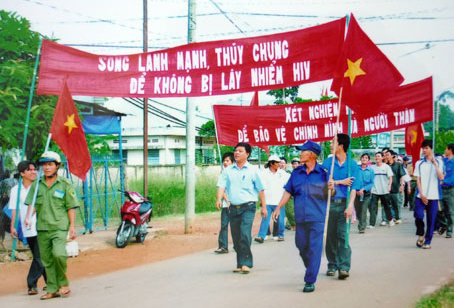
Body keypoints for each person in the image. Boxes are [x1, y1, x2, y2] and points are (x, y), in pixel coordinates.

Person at [273, 140, 333, 293]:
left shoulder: (324, 173)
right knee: (301, 246)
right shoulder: (296, 172)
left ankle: (310, 280)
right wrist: (279, 207)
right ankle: (312, 266)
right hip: (300, 218)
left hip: (317, 217)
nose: (299, 153)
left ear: (311, 154)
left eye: (303, 151)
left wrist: (331, 187)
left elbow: (331, 194)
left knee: (314, 248)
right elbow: (288, 191)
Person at [24, 151, 79, 300]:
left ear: (57, 166)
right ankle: (53, 289)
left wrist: (72, 226)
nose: (46, 168)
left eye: (50, 164)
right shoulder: (37, 184)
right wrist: (29, 217)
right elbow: (34, 204)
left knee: (59, 254)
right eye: (44, 165)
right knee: (47, 260)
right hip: (42, 227)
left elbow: (71, 206)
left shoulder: (65, 184)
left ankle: (63, 283)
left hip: (59, 227)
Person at [216, 143, 267, 274]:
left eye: (240, 151)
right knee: (236, 236)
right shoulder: (228, 171)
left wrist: (264, 207)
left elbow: (261, 189)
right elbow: (221, 186)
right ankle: (240, 263)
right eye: (235, 151)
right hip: (233, 208)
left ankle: (246, 263)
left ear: (247, 154)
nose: (236, 153)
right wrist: (218, 199)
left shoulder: (253, 170)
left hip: (248, 207)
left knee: (245, 234)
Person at [322, 133, 360, 280]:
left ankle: (344, 267)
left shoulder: (352, 165)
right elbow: (325, 184)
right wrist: (337, 182)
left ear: (341, 146)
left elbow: (354, 187)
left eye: (333, 142)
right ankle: (332, 264)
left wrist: (350, 206)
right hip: (329, 204)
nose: (330, 145)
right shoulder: (328, 163)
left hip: (344, 204)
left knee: (343, 236)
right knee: (330, 236)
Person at [9, 161, 47, 295]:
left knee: (42, 256)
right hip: (28, 227)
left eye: (34, 169)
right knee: (39, 256)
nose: (33, 172)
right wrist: (13, 226)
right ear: (22, 173)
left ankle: (32, 284)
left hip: (44, 224)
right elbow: (15, 209)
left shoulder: (41, 187)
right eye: (29, 170)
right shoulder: (16, 190)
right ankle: (49, 282)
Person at [414, 140, 444, 249]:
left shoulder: (439, 162)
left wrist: (435, 164)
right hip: (420, 196)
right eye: (423, 148)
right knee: (418, 215)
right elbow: (418, 179)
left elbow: (441, 177)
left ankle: (428, 241)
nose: (424, 150)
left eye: (426, 148)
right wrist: (421, 194)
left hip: (433, 196)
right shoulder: (419, 163)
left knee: (431, 220)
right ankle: (421, 233)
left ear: (431, 149)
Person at [255, 155, 290, 243]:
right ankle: (261, 236)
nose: (279, 164)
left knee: (280, 220)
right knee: (265, 219)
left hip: (279, 200)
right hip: (267, 200)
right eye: (277, 162)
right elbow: (261, 188)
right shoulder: (263, 173)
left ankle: (280, 235)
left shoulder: (283, 174)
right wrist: (261, 200)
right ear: (271, 163)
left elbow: (289, 183)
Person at [214, 152, 235, 254]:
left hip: (236, 204)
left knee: (236, 226)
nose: (225, 163)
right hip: (227, 205)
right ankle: (223, 246)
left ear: (232, 162)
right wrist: (227, 200)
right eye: (224, 161)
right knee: (224, 225)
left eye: (228, 161)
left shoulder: (236, 173)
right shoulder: (222, 174)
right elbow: (221, 189)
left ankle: (238, 245)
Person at [370, 152, 394, 228]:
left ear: (382, 158)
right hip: (375, 190)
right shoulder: (372, 168)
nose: (377, 158)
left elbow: (390, 177)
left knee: (387, 206)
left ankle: (390, 220)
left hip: (384, 190)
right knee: (373, 208)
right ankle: (372, 224)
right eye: (376, 156)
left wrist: (389, 186)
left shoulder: (386, 167)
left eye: (378, 156)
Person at [383, 149, 406, 225]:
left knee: (396, 204)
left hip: (395, 187)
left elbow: (402, 176)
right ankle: (385, 219)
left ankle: (398, 217)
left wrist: (402, 185)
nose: (386, 157)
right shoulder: (384, 165)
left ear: (392, 156)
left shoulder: (398, 165)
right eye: (385, 155)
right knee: (385, 204)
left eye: (388, 155)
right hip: (385, 188)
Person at [354, 153, 374, 233]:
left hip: (366, 194)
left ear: (368, 160)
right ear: (361, 159)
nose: (364, 159)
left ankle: (362, 227)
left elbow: (372, 183)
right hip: (356, 193)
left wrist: (363, 189)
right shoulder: (356, 169)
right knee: (358, 210)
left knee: (363, 210)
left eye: (366, 158)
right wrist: (356, 190)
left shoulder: (370, 170)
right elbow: (353, 180)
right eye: (363, 158)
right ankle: (362, 221)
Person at [437, 143, 454, 238]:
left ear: (450, 150)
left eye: (446, 148)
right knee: (438, 208)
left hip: (450, 189)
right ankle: (444, 224)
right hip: (440, 189)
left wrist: (444, 181)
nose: (445, 150)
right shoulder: (443, 161)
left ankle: (450, 230)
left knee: (450, 211)